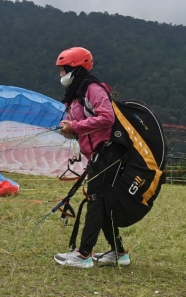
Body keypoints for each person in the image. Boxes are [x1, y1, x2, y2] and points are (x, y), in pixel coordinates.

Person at [53, 47, 130, 268]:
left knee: (96, 198)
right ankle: (119, 253)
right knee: (101, 200)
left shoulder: (93, 89)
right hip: (98, 153)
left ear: (76, 70)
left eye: (64, 70)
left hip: (109, 151)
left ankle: (84, 255)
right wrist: (71, 130)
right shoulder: (77, 93)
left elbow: (107, 118)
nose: (61, 75)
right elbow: (86, 125)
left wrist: (75, 126)